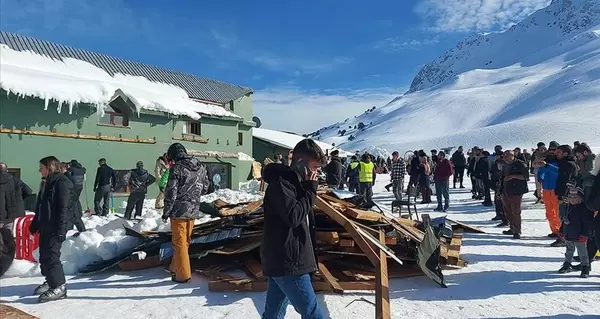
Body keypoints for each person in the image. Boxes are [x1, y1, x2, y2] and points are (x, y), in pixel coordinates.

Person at [261, 139, 325, 319]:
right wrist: (311, 192)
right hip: (289, 262)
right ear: (300, 163)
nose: (315, 173)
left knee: (273, 314)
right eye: (313, 168)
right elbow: (294, 217)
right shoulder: (281, 185)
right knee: (313, 314)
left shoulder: (295, 184)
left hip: (284, 260)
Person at [162, 143, 209, 283]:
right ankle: (175, 267)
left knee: (179, 242)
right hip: (193, 209)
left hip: (178, 210)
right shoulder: (200, 167)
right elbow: (206, 188)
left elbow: (171, 193)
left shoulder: (176, 168)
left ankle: (183, 274)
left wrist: (166, 212)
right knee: (185, 241)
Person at [29, 156, 73, 302]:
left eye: (41, 167)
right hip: (45, 225)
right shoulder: (46, 183)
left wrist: (61, 229)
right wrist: (35, 222)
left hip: (56, 226)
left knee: (52, 257)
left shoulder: (61, 183)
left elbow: (64, 208)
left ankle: (60, 287)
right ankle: (51, 280)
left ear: (50, 167)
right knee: (44, 256)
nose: (39, 170)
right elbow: (40, 205)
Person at [557, 185, 593, 278]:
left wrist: (584, 234)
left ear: (580, 199)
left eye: (575, 197)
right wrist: (562, 230)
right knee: (569, 250)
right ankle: (567, 263)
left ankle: (585, 266)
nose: (572, 199)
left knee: (582, 252)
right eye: (570, 197)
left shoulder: (584, 209)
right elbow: (564, 220)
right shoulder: (567, 207)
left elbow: (587, 223)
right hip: (568, 233)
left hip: (579, 235)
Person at [552, 145, 578, 247]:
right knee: (563, 216)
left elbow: (567, 181)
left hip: (567, 195)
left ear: (565, 153)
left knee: (565, 217)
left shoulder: (568, 164)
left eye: (559, 152)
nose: (556, 154)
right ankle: (564, 237)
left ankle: (565, 238)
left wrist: (564, 195)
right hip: (563, 194)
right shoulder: (563, 163)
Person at [500, 150, 529, 239]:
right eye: (504, 156)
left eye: (507, 156)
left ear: (512, 156)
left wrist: (513, 176)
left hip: (516, 191)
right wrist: (500, 190)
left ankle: (517, 231)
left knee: (515, 211)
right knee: (507, 211)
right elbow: (502, 178)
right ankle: (512, 227)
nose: (505, 157)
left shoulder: (520, 164)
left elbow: (526, 177)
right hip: (505, 190)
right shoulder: (505, 165)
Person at [536, 146, 561, 238]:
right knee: (549, 213)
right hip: (546, 189)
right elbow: (540, 171)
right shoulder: (545, 161)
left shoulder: (560, 162)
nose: (551, 152)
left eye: (554, 150)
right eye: (550, 150)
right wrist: (540, 178)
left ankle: (561, 232)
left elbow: (559, 172)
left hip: (556, 189)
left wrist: (547, 166)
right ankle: (555, 230)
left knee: (558, 212)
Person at [65, 160, 86, 233]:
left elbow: (69, 176)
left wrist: (68, 169)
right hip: (80, 186)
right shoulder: (82, 170)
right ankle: (79, 212)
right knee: (76, 200)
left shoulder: (71, 170)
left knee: (73, 203)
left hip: (73, 187)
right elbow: (84, 170)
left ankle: (76, 215)